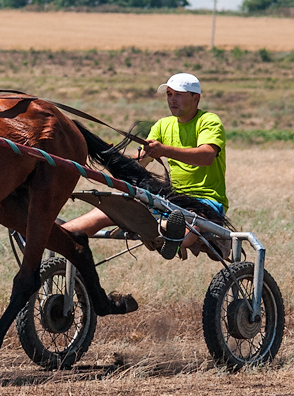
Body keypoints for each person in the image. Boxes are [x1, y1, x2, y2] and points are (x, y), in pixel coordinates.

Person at [62, 72, 228, 259]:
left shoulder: (209, 121)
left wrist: (164, 150)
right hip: (171, 201)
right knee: (104, 212)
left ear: (196, 97)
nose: (172, 100)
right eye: (169, 95)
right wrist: (117, 159)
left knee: (191, 221)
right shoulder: (162, 125)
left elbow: (206, 156)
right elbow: (141, 160)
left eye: (179, 95)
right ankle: (54, 235)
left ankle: (168, 236)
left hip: (206, 202)